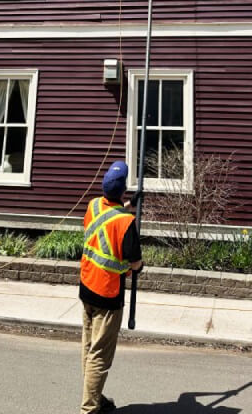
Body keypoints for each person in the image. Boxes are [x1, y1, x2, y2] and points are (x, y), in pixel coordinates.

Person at [79, 160, 143, 414]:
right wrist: (138, 268)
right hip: (108, 294)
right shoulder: (126, 223)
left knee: (89, 348)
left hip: (87, 286)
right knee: (100, 356)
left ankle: (95, 398)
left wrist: (128, 206)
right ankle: (89, 409)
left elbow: (107, 219)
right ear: (123, 190)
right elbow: (134, 262)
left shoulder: (94, 205)